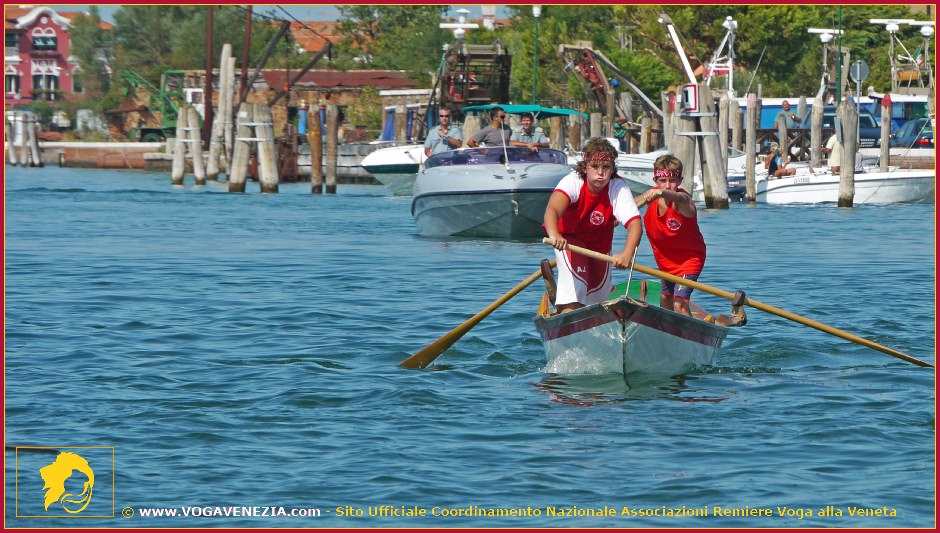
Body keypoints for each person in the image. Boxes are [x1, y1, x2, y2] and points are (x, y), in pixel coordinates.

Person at [543, 137, 642, 313]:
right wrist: (555, 235)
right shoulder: (573, 181)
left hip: (600, 247)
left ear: (612, 169)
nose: (601, 173)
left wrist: (627, 254)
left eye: (606, 167)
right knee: (576, 295)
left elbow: (635, 224)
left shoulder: (618, 187)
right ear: (585, 167)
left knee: (598, 303)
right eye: (595, 167)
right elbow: (552, 210)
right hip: (569, 242)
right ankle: (566, 310)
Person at [634, 154, 706, 317]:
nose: (667, 185)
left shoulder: (683, 201)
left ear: (680, 181)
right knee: (665, 298)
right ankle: (665, 329)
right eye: (663, 181)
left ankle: (687, 332)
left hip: (689, 261)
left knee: (679, 303)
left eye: (672, 181)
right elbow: (626, 208)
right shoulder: (650, 196)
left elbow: (682, 198)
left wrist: (661, 193)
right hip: (665, 261)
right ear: (655, 180)